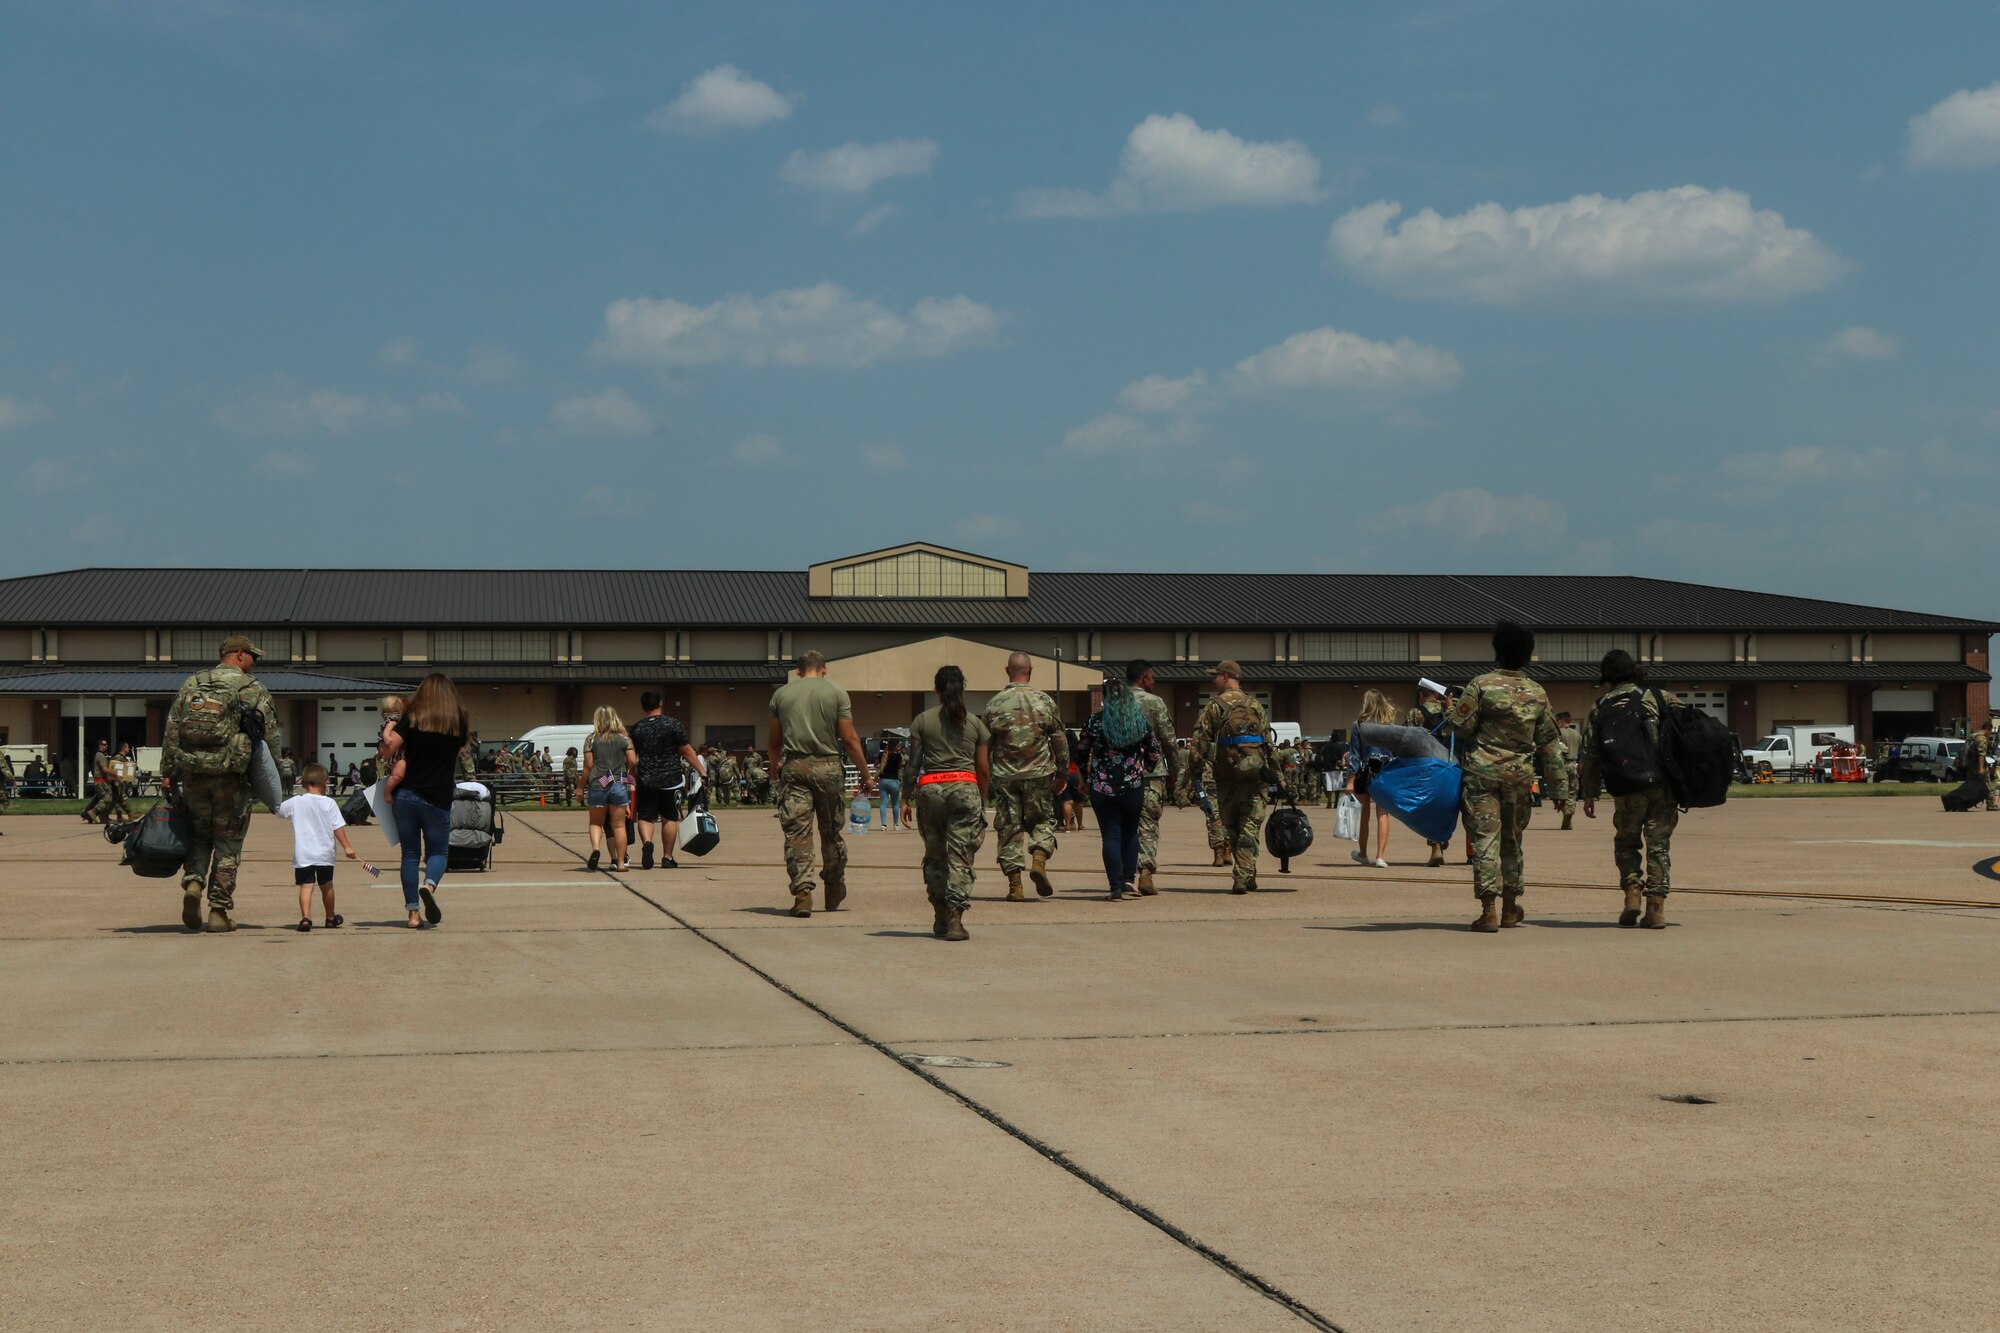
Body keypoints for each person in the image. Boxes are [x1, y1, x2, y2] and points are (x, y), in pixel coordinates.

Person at [1445, 621, 1571, 934]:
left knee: (1485, 842)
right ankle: (1510, 908)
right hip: (1519, 778)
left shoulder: (1480, 685)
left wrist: (1451, 712)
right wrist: (1560, 789)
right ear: (1528, 654)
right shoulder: (1537, 692)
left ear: (1497, 651)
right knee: (1512, 843)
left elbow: (1461, 728)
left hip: (1482, 775)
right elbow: (1551, 744)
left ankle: (1488, 909)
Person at [161, 635, 283, 932]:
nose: (255, 662)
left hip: (194, 774)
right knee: (228, 845)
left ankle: (193, 884)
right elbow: (270, 736)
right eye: (253, 656)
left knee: (199, 836)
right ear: (238, 654)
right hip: (233, 779)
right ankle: (218, 912)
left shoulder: (193, 683)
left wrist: (168, 772)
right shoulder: (252, 689)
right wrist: (277, 776)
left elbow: (172, 729)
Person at [768, 650, 873, 918]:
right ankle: (834, 885)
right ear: (824, 669)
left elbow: (774, 741)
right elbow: (849, 739)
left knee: (797, 833)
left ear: (798, 671)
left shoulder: (781, 695)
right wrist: (865, 773)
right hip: (828, 767)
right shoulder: (837, 693)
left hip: (795, 767)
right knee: (830, 832)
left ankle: (803, 892)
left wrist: (773, 770)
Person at [1578, 650, 1677, 930]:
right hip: (1661, 785)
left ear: (1606, 675)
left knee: (1626, 843)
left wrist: (1589, 794)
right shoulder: (1658, 697)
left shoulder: (1600, 707)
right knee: (1658, 847)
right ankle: (1655, 909)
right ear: (1633, 670)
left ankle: (1632, 892)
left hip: (1625, 787)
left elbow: (1591, 755)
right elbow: (1685, 729)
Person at [902, 665, 989, 940]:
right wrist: (982, 798)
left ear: (936, 690)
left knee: (935, 853)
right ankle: (955, 918)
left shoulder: (922, 721)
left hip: (931, 791)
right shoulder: (975, 724)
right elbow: (984, 769)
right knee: (960, 855)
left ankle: (939, 913)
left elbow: (913, 764)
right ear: (963, 688)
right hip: (965, 787)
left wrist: (905, 799)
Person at [382, 672, 469, 929]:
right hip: (438, 797)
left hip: (407, 795)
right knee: (439, 852)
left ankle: (412, 914)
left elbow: (387, 750)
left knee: (409, 854)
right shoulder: (458, 721)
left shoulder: (413, 717)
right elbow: (462, 748)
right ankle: (429, 885)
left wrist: (388, 727)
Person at [982, 651, 1069, 900]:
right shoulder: (1045, 702)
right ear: (1030, 671)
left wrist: (985, 779)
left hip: (1005, 776)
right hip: (1039, 773)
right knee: (1042, 820)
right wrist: (1063, 772)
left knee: (1010, 828)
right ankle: (1039, 859)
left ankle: (1015, 886)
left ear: (1007, 670)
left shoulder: (994, 704)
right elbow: (1059, 741)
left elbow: (984, 746)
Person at [1073, 669, 1164, 900]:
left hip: (1102, 788)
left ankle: (1114, 887)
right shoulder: (1138, 720)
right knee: (1130, 834)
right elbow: (1154, 751)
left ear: (1104, 697)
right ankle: (1128, 881)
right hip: (1132, 786)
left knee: (1111, 836)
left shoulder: (1095, 721)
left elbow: (1081, 751)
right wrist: (1144, 767)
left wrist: (1084, 776)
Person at [1187, 661, 1275, 895]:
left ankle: (1243, 874)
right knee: (1250, 826)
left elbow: (1199, 744)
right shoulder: (1255, 705)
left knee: (1232, 827)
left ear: (1225, 677)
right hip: (1255, 777)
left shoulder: (1213, 707)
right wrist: (1277, 775)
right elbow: (1268, 742)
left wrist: (1193, 773)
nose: (1213, 680)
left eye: (1215, 677)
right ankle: (1246, 873)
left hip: (1226, 779)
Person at [277, 763, 359, 931]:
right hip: (324, 853)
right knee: (326, 885)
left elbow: (277, 810)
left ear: (302, 784)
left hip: (304, 853)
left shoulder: (295, 802)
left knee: (306, 886)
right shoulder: (329, 803)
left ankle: (306, 918)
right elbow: (337, 827)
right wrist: (347, 847)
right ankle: (330, 918)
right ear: (325, 782)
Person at [630, 690, 704, 869]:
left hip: (646, 779)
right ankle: (667, 857)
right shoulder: (673, 724)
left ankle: (647, 842)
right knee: (669, 817)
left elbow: (632, 758)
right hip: (671, 780)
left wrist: (632, 777)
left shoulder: (636, 728)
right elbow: (686, 751)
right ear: (660, 703)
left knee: (646, 817)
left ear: (642, 706)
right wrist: (701, 771)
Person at [1126, 661, 1179, 895]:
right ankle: (1145, 873)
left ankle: (1124, 876)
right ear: (1144, 678)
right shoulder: (1155, 703)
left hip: (1120, 772)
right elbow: (1168, 740)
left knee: (1123, 824)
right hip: (1151, 771)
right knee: (1147, 823)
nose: (1154, 681)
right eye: (1153, 677)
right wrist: (1175, 770)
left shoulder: (1115, 702)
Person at [577, 705, 638, 872]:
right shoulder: (624, 738)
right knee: (619, 826)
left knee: (596, 823)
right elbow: (633, 761)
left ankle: (596, 848)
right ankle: (620, 863)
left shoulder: (591, 739)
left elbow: (588, 765)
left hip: (598, 783)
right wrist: (625, 770)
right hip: (618, 783)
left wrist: (580, 787)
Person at [1348, 690, 1399, 869]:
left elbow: (1354, 755)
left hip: (1365, 773)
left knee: (1365, 814)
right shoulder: (1390, 725)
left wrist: (1350, 780)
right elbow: (1396, 752)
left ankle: (1363, 854)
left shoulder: (1359, 725)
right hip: (1385, 771)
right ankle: (1380, 856)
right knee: (1383, 814)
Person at [1406, 682, 1453, 865]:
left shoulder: (1415, 713)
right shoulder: (1449, 710)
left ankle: (1436, 846)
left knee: (1431, 806)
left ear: (1420, 695)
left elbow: (1408, 740)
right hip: (1450, 763)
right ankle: (1470, 851)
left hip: (1426, 765)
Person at [1174, 741, 1229, 867]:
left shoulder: (1206, 737)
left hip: (1209, 780)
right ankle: (1228, 850)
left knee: (1212, 816)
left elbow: (1195, 759)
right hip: (1227, 781)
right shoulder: (1228, 735)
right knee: (1228, 816)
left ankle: (1218, 853)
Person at [1555, 711, 1583, 830]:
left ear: (1561, 721)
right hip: (1573, 764)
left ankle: (1566, 810)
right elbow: (1583, 750)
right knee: (1572, 791)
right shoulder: (1577, 734)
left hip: (1562, 764)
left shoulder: (1559, 733)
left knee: (1560, 791)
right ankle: (1569, 814)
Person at [80, 739, 113, 823]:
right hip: (100, 782)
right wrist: (115, 774)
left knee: (100, 800)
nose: (106, 746)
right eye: (104, 744)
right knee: (107, 798)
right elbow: (104, 769)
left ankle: (94, 816)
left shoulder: (102, 755)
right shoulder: (100, 755)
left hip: (102, 781)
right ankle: (93, 812)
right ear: (100, 746)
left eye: (106, 744)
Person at [876, 738, 905, 831]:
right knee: (895, 804)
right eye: (898, 746)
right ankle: (896, 825)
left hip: (883, 780)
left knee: (883, 803)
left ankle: (883, 825)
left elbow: (876, 764)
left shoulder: (882, 755)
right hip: (894, 781)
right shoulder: (898, 756)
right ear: (895, 747)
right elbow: (900, 766)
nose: (900, 748)